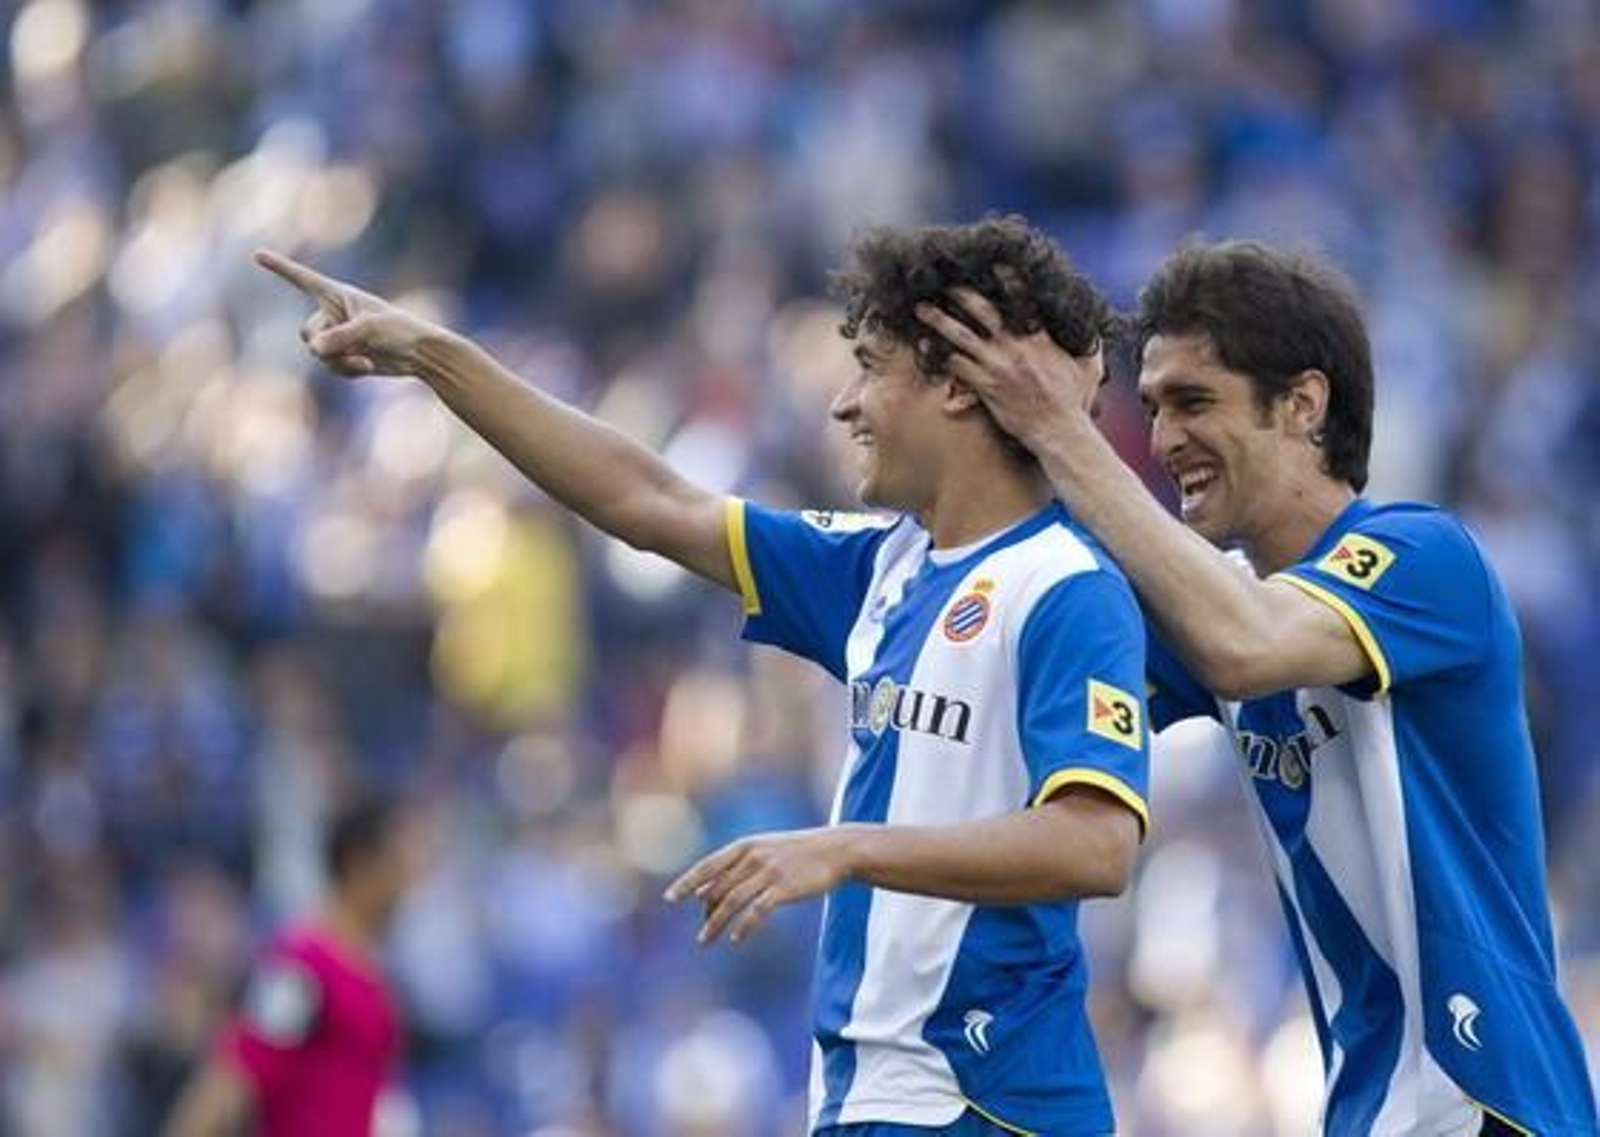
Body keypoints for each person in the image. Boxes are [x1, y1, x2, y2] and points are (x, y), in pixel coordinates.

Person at [256, 216, 1148, 1136]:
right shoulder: (880, 570)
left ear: (957, 386)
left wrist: (844, 847)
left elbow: (1095, 846)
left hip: (990, 1105)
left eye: (872, 366)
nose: (844, 403)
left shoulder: (1065, 587)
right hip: (872, 1097)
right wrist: (435, 357)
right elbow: (648, 500)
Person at [916, 240, 1599, 1136]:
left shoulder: (1422, 557)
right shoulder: (1213, 606)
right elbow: (1007, 661)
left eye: (1195, 401)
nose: (1162, 441)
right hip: (1368, 1110)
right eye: (1152, 407)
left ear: (1304, 404)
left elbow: (1246, 640)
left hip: (1491, 1100)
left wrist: (1061, 432)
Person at [163, 793, 420, 1137]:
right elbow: (233, 1074)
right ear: (361, 865)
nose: (407, 883)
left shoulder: (373, 968)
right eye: (397, 866)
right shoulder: (299, 967)